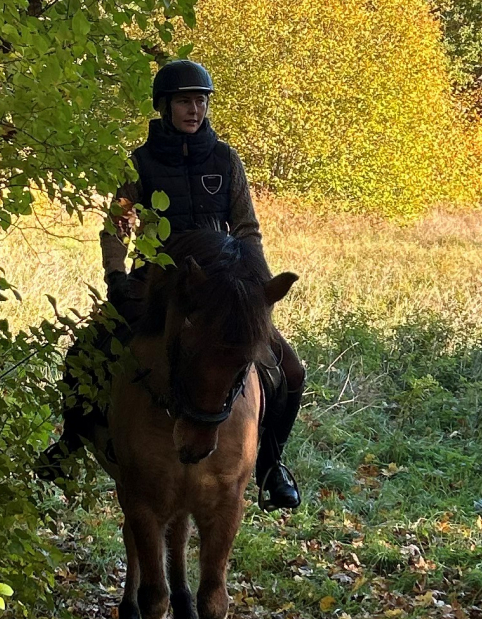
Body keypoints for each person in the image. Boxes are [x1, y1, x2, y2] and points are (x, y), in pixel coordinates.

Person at [35, 59, 307, 510]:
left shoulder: (226, 159)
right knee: (85, 351)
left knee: (291, 370)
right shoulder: (140, 162)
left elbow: (247, 229)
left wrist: (254, 289)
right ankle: (70, 443)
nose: (194, 109)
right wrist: (116, 277)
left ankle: (271, 466)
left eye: (200, 101)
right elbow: (116, 226)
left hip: (220, 285)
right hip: (158, 279)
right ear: (165, 106)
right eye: (185, 101)